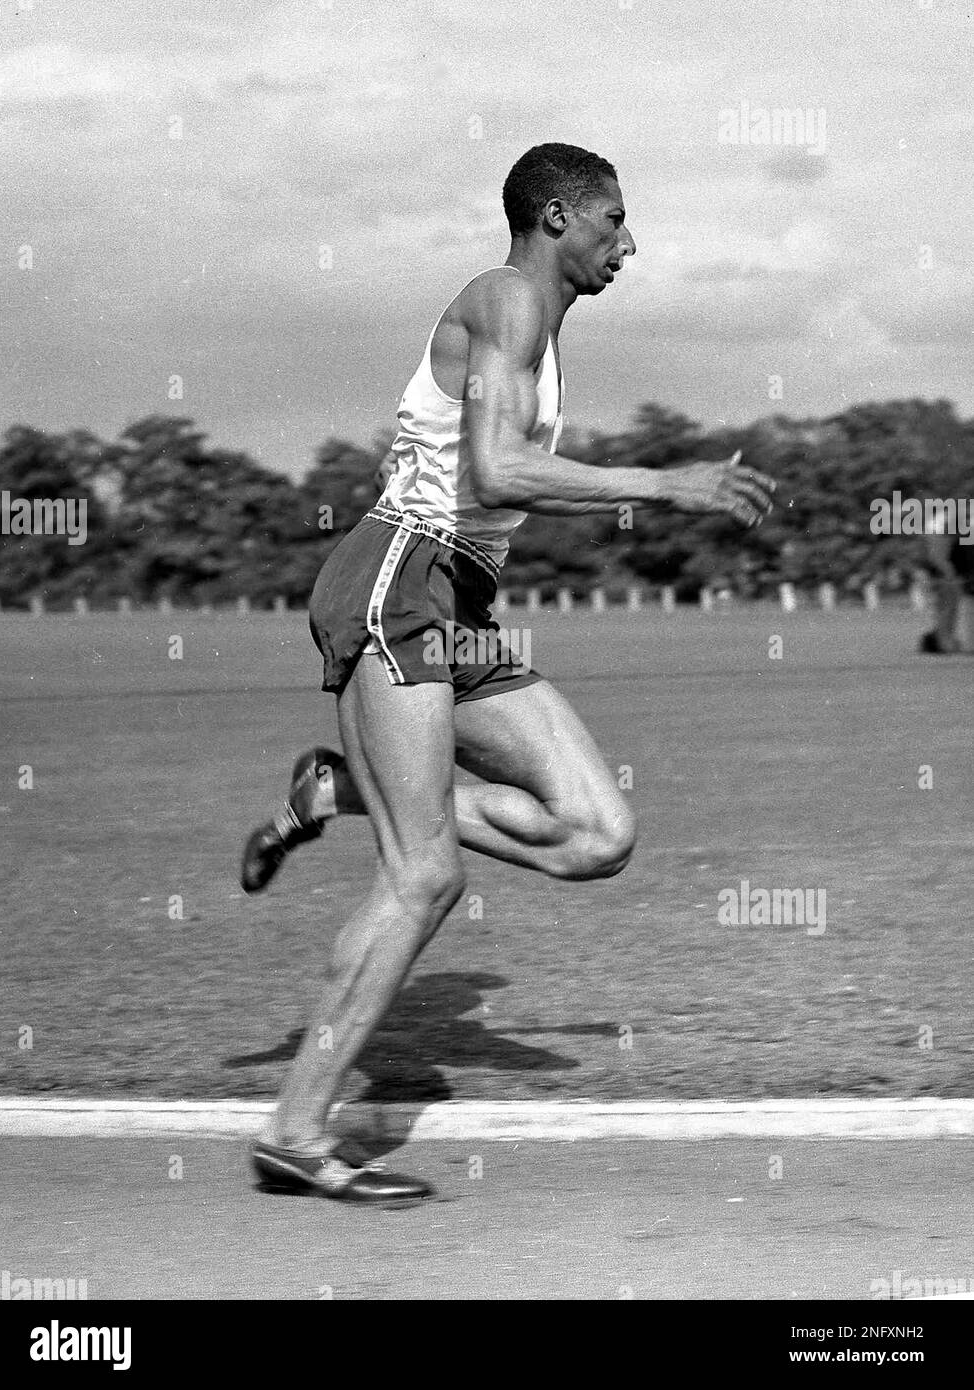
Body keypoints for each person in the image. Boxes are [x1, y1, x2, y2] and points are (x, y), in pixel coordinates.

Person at [242, 143, 775, 1203]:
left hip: (462, 597)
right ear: (557, 215)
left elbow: (495, 480)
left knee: (594, 833)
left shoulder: (540, 330)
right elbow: (494, 467)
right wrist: (666, 484)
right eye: (613, 220)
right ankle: (297, 1129)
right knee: (427, 874)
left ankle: (341, 790)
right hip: (400, 576)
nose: (630, 242)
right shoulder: (505, 301)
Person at [917, 508, 974, 653]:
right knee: (947, 611)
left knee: (947, 611)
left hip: (943, 576)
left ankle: (945, 642)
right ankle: (944, 643)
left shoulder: (939, 530)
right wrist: (952, 576)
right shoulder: (940, 533)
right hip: (944, 577)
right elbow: (939, 559)